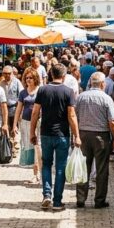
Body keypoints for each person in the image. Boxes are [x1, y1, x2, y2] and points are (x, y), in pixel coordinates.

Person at [30, 64, 79, 211]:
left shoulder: (42, 90)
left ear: (51, 74)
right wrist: (77, 135)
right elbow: (71, 115)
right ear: (64, 76)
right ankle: (57, 201)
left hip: (45, 133)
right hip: (62, 134)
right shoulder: (68, 91)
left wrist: (32, 132)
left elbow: (35, 112)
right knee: (60, 167)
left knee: (46, 164)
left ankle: (46, 194)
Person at [73, 72, 114, 209]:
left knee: (83, 167)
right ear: (103, 84)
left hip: (83, 135)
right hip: (101, 136)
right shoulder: (106, 98)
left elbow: (74, 116)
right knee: (102, 169)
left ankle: (81, 199)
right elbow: (112, 122)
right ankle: (99, 200)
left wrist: (75, 135)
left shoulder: (81, 97)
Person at [13, 71, 41, 183]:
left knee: (37, 147)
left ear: (36, 79)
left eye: (31, 78)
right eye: (26, 78)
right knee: (30, 147)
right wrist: (15, 124)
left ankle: (37, 174)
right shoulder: (23, 92)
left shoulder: (40, 90)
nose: (28, 80)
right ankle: (36, 174)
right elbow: (18, 109)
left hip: (38, 122)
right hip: (25, 123)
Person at [0, 66, 23, 146]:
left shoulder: (17, 82)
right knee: (7, 128)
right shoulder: (1, 83)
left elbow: (21, 95)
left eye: (9, 73)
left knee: (15, 128)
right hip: (4, 109)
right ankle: (8, 145)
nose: (7, 75)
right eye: (5, 73)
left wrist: (20, 109)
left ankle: (15, 146)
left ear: (12, 73)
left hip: (14, 108)